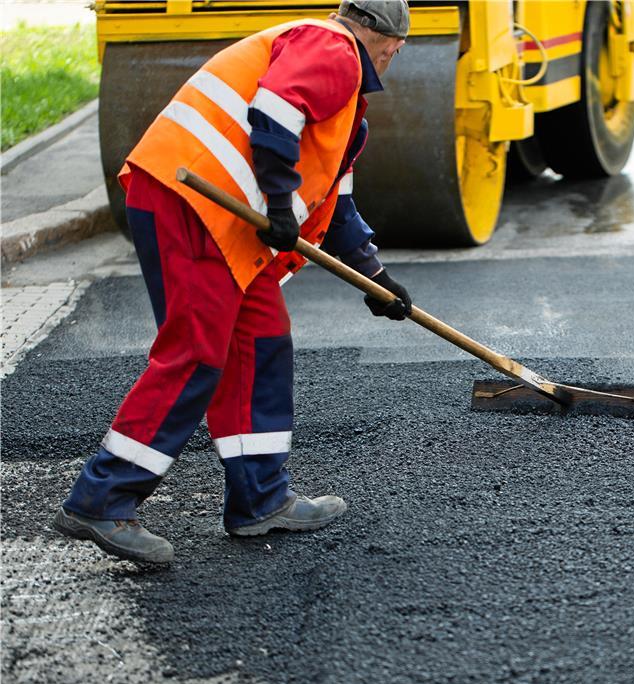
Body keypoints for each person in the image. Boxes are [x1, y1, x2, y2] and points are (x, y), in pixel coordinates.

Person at [52, 1, 415, 565]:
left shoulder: (347, 108)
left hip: (226, 223)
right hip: (195, 205)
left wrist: (376, 277)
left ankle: (259, 501)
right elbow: (273, 109)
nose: (395, 56)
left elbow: (336, 205)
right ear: (388, 40)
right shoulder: (333, 47)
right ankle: (101, 499)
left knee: (261, 344)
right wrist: (276, 201)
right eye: (397, 47)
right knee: (196, 354)